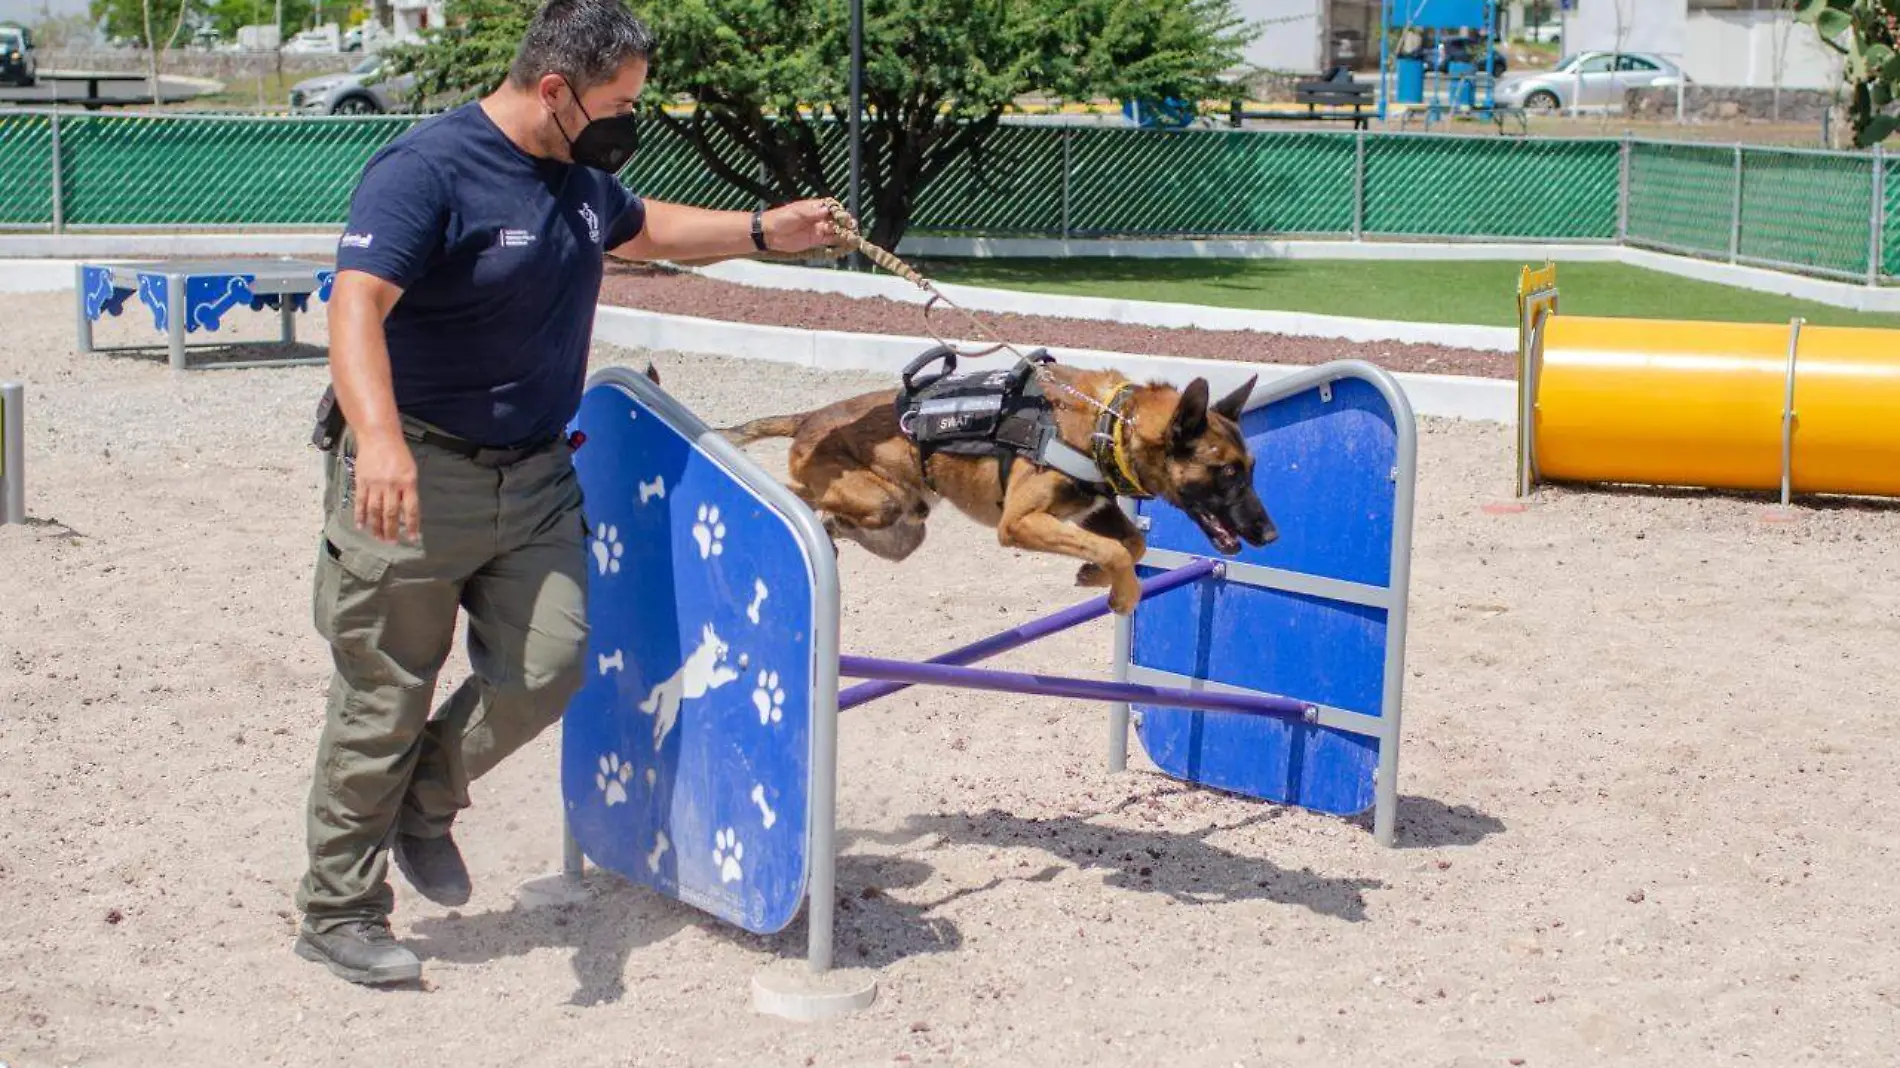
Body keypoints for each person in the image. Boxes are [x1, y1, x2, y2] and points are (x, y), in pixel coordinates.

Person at [292, 0, 845, 986]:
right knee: (383, 697)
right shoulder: (427, 171)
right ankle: (338, 910)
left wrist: (766, 230)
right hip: (420, 472)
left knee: (550, 665)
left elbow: (640, 229)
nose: (631, 116)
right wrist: (376, 440)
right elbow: (355, 303)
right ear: (554, 90)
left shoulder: (582, 175)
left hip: (539, 472)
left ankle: (424, 794)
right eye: (619, 100)